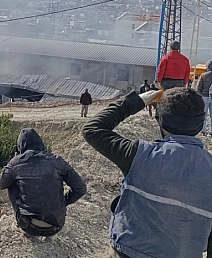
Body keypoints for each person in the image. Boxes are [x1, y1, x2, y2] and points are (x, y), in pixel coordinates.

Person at [83, 87, 212, 258]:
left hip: (128, 252)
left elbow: (92, 129)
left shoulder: (139, 154)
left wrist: (137, 100)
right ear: (200, 122)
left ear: (160, 120)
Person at [0, 128, 86, 237]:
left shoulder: (16, 162)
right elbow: (80, 188)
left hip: (29, 227)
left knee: (11, 184)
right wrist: (64, 202)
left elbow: (1, 184)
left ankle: (22, 220)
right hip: (56, 226)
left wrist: (12, 163)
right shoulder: (57, 160)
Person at [196, 61, 212, 135]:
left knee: (204, 114)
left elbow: (199, 87)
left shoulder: (203, 75)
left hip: (204, 96)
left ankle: (203, 129)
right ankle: (211, 130)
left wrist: (198, 96)